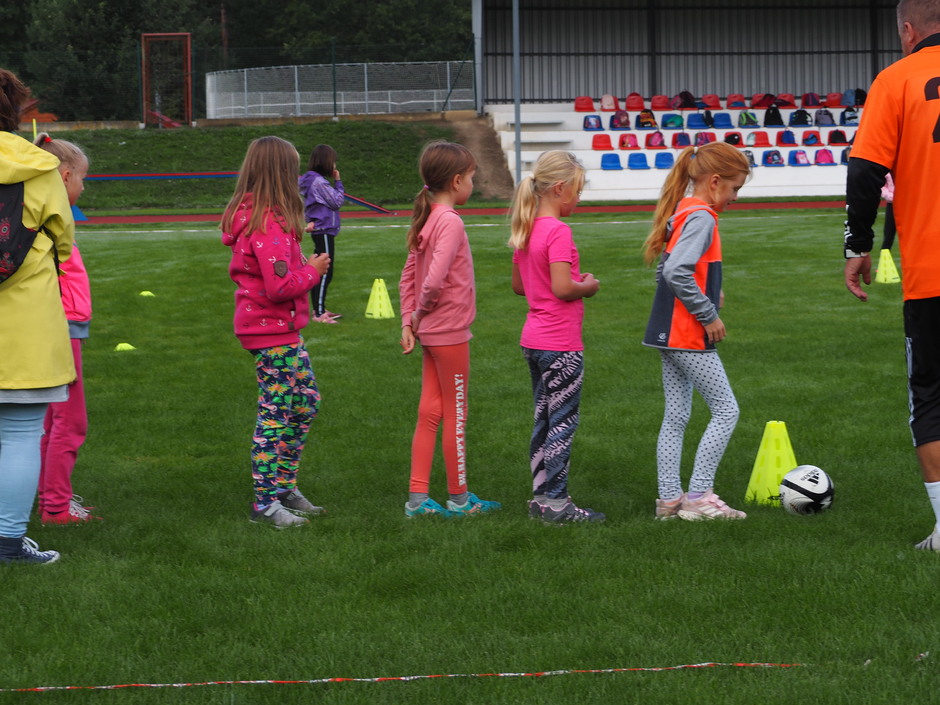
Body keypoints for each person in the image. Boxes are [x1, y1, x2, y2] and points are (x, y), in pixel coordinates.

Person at [843, 0, 940, 551]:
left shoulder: (897, 79)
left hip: (932, 272)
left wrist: (859, 244)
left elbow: (865, 169)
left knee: (930, 396)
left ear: (908, 30)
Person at [221, 136, 331, 529]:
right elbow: (279, 287)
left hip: (284, 331)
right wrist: (313, 271)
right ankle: (265, 503)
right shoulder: (267, 224)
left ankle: (283, 487)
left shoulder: (272, 219)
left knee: (305, 402)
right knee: (276, 413)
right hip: (271, 334)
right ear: (282, 173)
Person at [641, 142, 750, 521]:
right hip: (687, 335)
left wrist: (708, 291)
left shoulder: (684, 210)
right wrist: (707, 314)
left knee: (676, 416)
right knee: (726, 410)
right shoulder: (702, 217)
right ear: (715, 181)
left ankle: (669, 501)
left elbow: (665, 269)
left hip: (667, 332)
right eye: (735, 188)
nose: (736, 197)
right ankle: (699, 497)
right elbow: (675, 272)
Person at [399, 140, 501, 518]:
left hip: (431, 332)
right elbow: (431, 281)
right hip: (448, 333)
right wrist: (417, 315)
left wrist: (409, 320)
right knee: (456, 413)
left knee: (430, 411)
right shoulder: (450, 221)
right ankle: (459, 499)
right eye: (472, 177)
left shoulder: (428, 217)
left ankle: (418, 500)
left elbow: (407, 277)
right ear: (457, 181)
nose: (473, 183)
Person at [0, 68, 75, 564]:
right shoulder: (40, 168)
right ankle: (7, 542)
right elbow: (64, 242)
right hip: (26, 324)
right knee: (21, 436)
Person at [508, 151, 604, 523]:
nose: (579, 198)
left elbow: (519, 286)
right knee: (563, 423)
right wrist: (588, 286)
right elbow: (564, 288)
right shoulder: (558, 231)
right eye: (577, 191)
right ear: (560, 189)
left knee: (544, 419)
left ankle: (540, 498)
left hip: (533, 340)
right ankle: (559, 505)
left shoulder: (527, 227)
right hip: (560, 343)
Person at [33, 133, 100, 525]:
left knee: (51, 420)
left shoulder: (44, 215)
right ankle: (56, 507)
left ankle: (51, 498)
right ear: (65, 176)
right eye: (82, 179)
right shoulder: (48, 220)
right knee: (70, 422)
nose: (83, 188)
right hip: (60, 328)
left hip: (59, 326)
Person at [299, 144, 344, 323]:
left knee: (321, 269)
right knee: (325, 271)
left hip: (322, 229)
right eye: (333, 161)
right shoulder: (318, 182)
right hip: (324, 229)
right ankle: (318, 313)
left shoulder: (311, 180)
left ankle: (319, 308)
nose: (334, 165)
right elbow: (337, 201)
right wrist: (338, 181)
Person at [881, 172, 896, 251]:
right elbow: (882, 187)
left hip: (906, 203)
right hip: (891, 204)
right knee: (889, 232)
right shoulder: (885, 171)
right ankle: (885, 253)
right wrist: (892, 197)